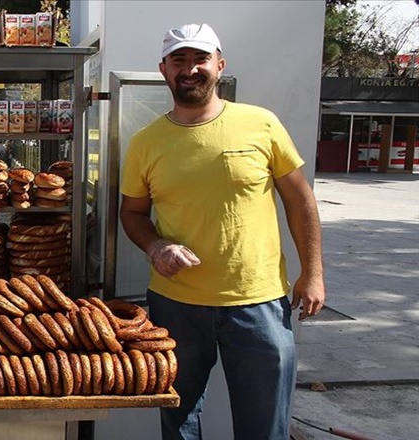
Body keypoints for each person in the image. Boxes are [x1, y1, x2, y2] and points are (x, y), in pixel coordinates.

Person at [119, 24, 325, 439]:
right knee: (178, 419)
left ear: (220, 66)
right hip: (176, 304)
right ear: (164, 69)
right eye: (179, 60)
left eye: (200, 59)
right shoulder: (145, 142)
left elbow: (300, 199)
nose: (190, 69)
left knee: (265, 425)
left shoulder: (260, 124)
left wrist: (313, 271)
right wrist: (157, 246)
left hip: (259, 303)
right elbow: (132, 213)